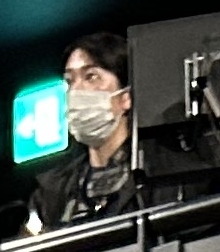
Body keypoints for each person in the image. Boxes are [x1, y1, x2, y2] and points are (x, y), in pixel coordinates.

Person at [14, 27, 141, 233]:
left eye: (91, 76)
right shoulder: (51, 193)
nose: (75, 90)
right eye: (69, 81)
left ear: (125, 97)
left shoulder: (161, 173)